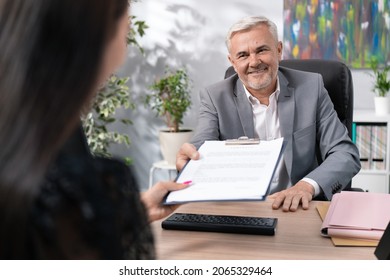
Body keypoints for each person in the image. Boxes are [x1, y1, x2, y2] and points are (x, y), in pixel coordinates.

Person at [0, 0, 187, 259]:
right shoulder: (78, 175)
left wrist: (128, 210)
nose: (131, 25)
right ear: (97, 35)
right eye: (127, 15)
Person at [176, 16, 360, 212]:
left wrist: (305, 187)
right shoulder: (214, 97)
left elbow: (345, 154)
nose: (254, 62)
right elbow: (202, 143)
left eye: (262, 50)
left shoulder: (311, 87)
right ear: (233, 62)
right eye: (243, 55)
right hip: (240, 209)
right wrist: (191, 159)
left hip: (298, 207)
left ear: (279, 50)